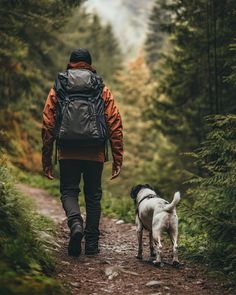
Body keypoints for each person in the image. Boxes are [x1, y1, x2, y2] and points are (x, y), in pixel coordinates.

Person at [42, 48, 123, 256]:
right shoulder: (100, 87)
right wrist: (117, 158)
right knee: (93, 196)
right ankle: (93, 244)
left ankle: (75, 222)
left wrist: (47, 159)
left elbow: (48, 122)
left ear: (71, 63)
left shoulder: (60, 85)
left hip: (67, 150)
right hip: (94, 150)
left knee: (69, 191)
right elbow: (114, 122)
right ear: (90, 64)